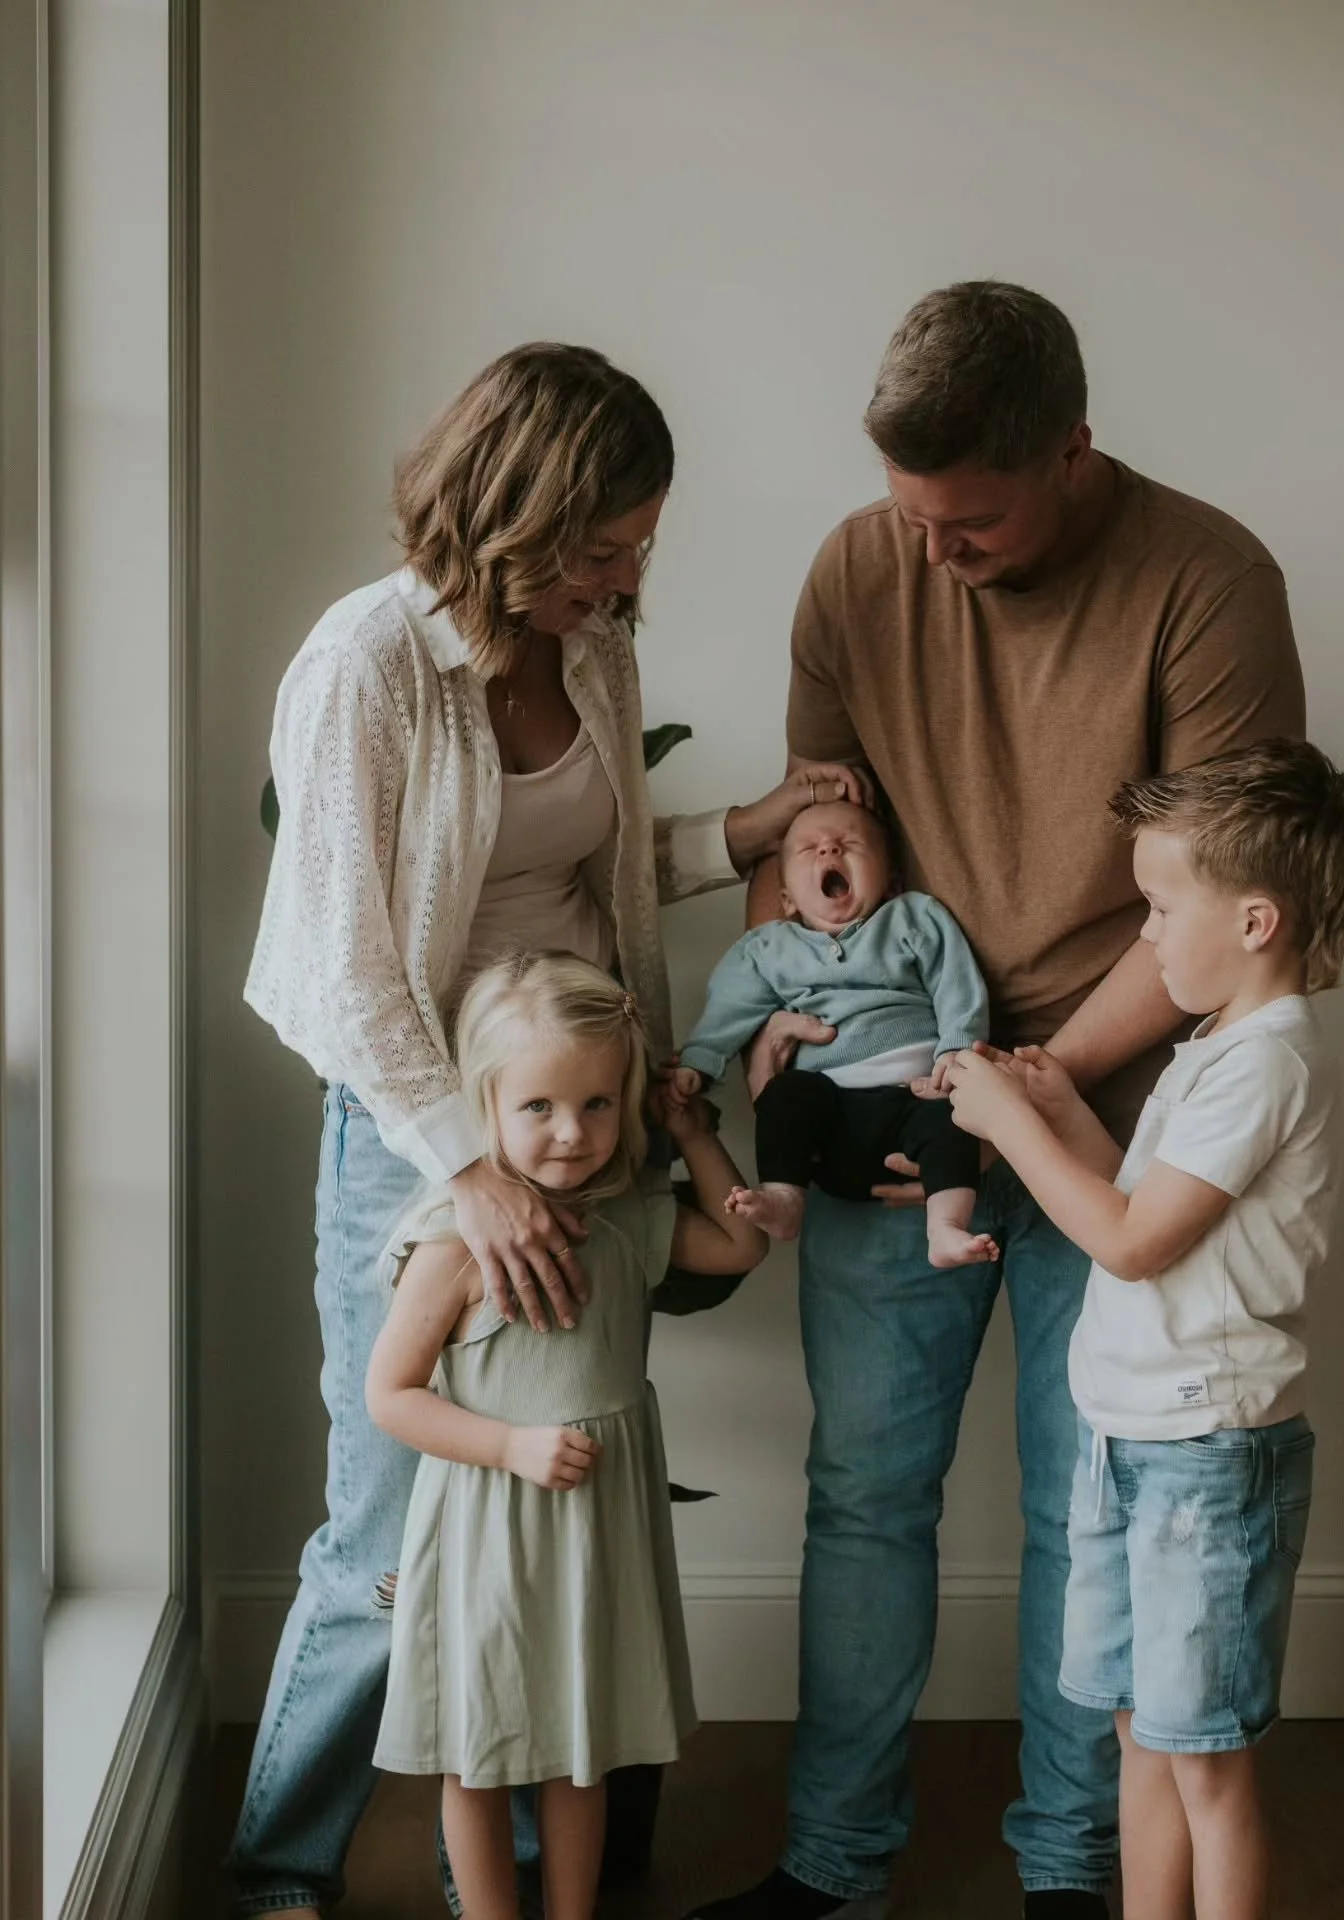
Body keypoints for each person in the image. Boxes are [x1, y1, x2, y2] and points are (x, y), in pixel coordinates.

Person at [690, 283, 1306, 1920]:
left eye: (969, 523)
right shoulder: (855, 564)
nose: (933, 554)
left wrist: (1022, 1096)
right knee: (864, 1491)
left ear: (1074, 452)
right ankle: (831, 1868)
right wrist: (799, 1042)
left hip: (1124, 1116)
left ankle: (1069, 1870)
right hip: (904, 1098)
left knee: (1084, 1509)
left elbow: (1237, 909)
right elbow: (814, 855)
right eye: (910, 516)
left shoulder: (1207, 581)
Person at [231, 341, 863, 1919]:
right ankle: (276, 1869)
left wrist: (748, 832)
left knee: (558, 1507)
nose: (626, 574)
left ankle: (520, 1894)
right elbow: (344, 965)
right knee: (393, 1535)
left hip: (570, 1107)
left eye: (640, 543)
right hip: (418, 1138)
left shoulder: (588, 653)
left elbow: (594, 860)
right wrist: (464, 1173)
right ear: (512, 512)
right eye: (602, 546)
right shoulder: (366, 667)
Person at [946, 739, 1344, 1920]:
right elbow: (1134, 1200)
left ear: (1253, 920)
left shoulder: (1269, 1063)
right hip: (1132, 1440)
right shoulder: (1212, 1052)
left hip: (1209, 1460)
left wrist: (1011, 1130)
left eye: (1156, 909)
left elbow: (1133, 1245)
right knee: (1139, 1731)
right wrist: (1052, 1103)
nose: (1143, 940)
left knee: (1205, 1760)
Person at [366, 951, 767, 1920]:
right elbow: (392, 1394)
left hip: (597, 1530)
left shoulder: (627, 1213)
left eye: (595, 1104)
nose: (572, 1134)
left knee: (580, 1751)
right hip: (492, 1532)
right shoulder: (454, 1244)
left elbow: (741, 1241)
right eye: (538, 1107)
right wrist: (511, 1448)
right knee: (477, 1753)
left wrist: (691, 1132)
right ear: (484, 1106)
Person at [670, 798, 997, 1267]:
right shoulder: (769, 948)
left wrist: (959, 1047)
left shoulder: (911, 917)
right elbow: (730, 1007)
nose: (828, 852)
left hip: (917, 1097)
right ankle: (785, 1200)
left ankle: (945, 1227)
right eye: (809, 849)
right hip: (832, 1116)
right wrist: (699, 1061)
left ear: (891, 881)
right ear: (786, 899)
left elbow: (956, 982)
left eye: (849, 845)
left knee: (953, 1117)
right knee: (786, 1096)